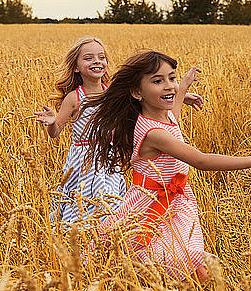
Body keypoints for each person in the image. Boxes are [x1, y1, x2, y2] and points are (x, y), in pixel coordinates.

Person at [84, 50, 251, 282]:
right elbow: (200, 160)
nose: (169, 85)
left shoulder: (162, 117)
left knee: (171, 259)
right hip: (154, 201)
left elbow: (174, 118)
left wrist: (183, 88)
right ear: (137, 92)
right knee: (172, 259)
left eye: (172, 77)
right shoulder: (155, 133)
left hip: (174, 200)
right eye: (158, 81)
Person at [35, 38, 204, 227]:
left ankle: (107, 236)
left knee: (111, 202)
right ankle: (80, 236)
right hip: (84, 161)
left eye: (101, 57)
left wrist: (180, 95)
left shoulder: (112, 94)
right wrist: (51, 122)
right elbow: (55, 131)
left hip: (109, 157)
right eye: (88, 58)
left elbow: (146, 100)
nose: (97, 61)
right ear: (76, 67)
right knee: (82, 201)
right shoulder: (74, 97)